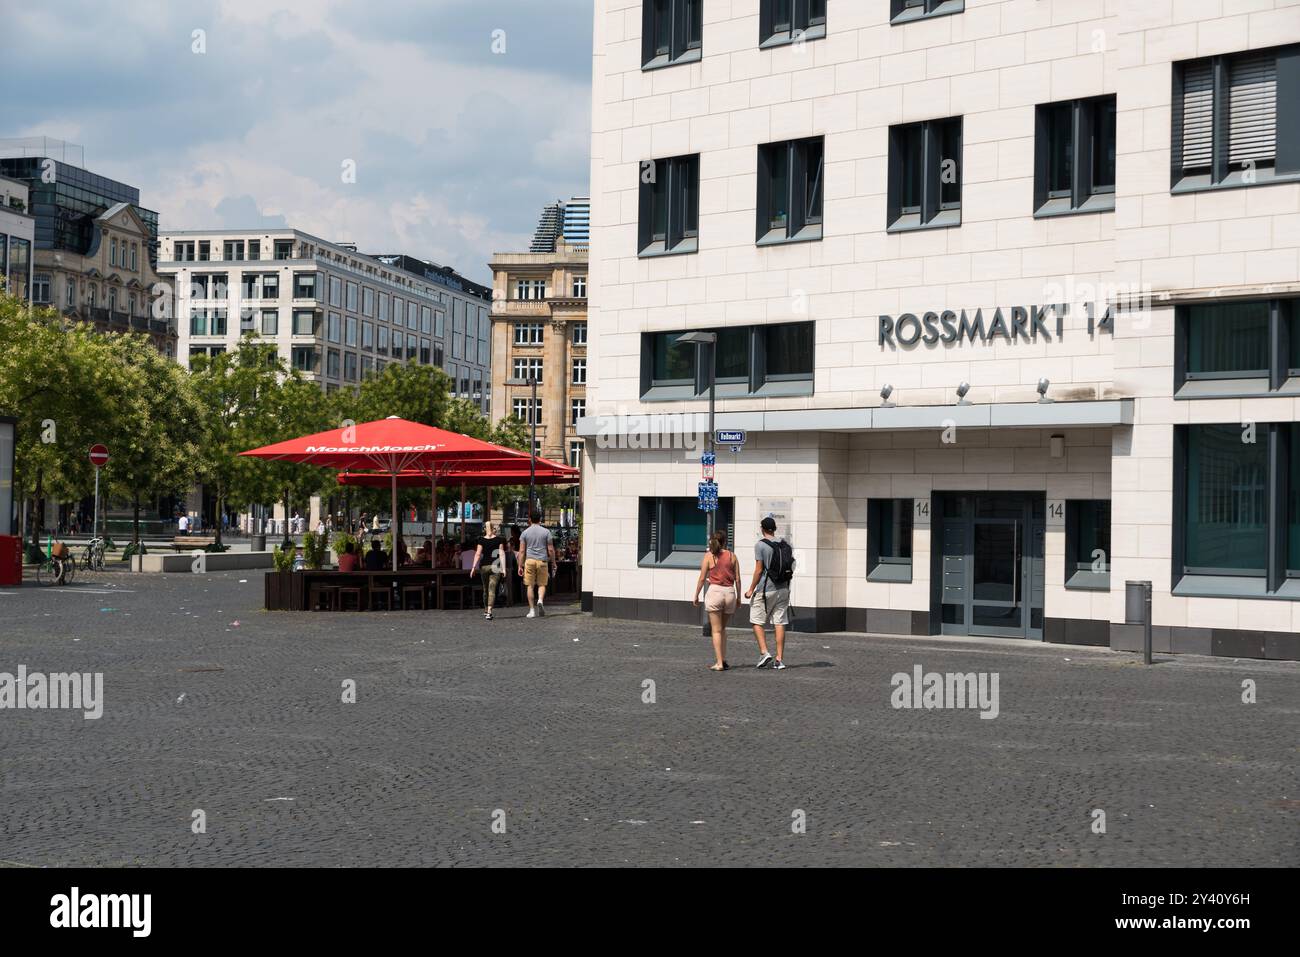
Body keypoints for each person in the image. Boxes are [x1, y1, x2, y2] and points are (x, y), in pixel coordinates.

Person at [744, 515, 793, 670]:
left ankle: (764, 652)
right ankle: (779, 660)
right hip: (784, 588)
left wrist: (751, 589)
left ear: (762, 529)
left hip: (767, 589)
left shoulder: (760, 545)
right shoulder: (785, 545)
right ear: (775, 529)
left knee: (756, 620)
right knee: (779, 622)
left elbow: (759, 570)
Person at [694, 529, 741, 672]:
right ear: (725, 541)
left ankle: (719, 662)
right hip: (729, 593)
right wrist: (738, 597)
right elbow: (738, 579)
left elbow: (702, 578)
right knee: (722, 629)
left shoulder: (709, 556)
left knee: (716, 630)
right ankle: (723, 659)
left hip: (715, 592)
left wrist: (696, 595)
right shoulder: (732, 556)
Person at [518, 509, 556, 619]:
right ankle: (540, 600)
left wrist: (520, 565)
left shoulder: (525, 533)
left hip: (529, 560)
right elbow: (551, 549)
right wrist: (553, 562)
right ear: (540, 519)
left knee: (530, 585)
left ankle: (532, 610)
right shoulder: (546, 532)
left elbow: (521, 551)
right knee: (542, 584)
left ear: (530, 519)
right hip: (542, 560)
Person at [469, 522, 508, 621]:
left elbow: (478, 554)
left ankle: (486, 609)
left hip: (484, 566)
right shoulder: (499, 540)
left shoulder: (481, 540)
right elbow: (502, 554)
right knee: (492, 589)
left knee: (486, 589)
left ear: (485, 529)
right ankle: (489, 611)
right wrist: (503, 568)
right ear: (493, 528)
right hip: (495, 566)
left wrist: (473, 567)